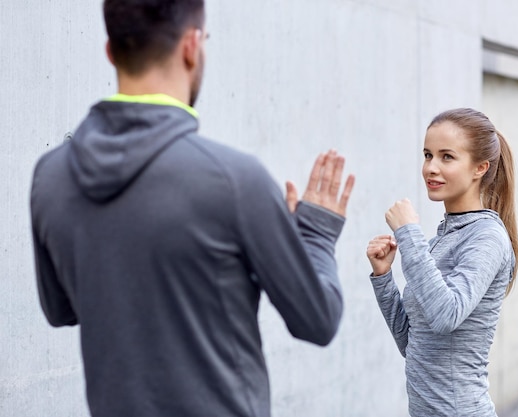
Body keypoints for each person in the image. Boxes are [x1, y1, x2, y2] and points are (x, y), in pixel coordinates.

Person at [30, 1, 354, 417]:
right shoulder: (234, 180)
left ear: (111, 51)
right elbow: (318, 320)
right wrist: (315, 234)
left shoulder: (51, 176)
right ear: (191, 45)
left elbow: (60, 310)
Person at [366, 108, 518, 416]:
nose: (431, 168)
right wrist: (384, 278)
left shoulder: (487, 237)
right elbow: (413, 345)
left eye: (446, 157)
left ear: (480, 168)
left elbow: (446, 315)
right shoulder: (438, 242)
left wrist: (409, 235)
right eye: (427, 155)